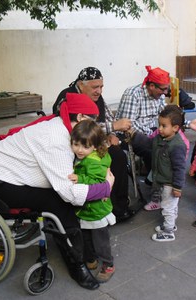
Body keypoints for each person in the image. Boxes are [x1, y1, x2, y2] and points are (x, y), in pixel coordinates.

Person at [0, 93, 114, 290]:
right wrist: (104, 188)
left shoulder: (63, 127)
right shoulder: (56, 139)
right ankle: (77, 265)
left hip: (0, 167)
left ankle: (77, 247)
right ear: (81, 117)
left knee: (60, 195)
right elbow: (70, 193)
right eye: (94, 120)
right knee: (60, 203)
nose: (96, 126)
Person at [53, 67, 135, 223]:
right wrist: (113, 127)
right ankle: (103, 202)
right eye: (95, 87)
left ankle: (118, 205)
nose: (99, 91)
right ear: (81, 85)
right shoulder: (67, 97)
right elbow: (76, 127)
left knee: (118, 154)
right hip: (77, 144)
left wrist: (111, 134)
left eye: (101, 87)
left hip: (96, 141)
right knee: (114, 157)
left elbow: (108, 118)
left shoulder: (98, 98)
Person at [68, 119, 116, 282]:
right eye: (75, 144)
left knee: (100, 241)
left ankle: (108, 264)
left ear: (95, 146)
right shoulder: (88, 157)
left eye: (85, 146)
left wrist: (80, 178)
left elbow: (98, 184)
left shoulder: (94, 161)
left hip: (96, 210)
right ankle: (91, 260)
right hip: (87, 209)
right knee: (86, 237)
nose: (79, 150)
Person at [115, 65, 170, 173]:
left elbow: (166, 114)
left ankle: (165, 180)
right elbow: (128, 125)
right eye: (163, 89)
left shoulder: (159, 94)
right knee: (156, 150)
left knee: (175, 145)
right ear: (152, 86)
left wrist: (185, 123)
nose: (166, 92)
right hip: (129, 134)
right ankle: (155, 181)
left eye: (166, 88)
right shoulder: (133, 94)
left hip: (150, 131)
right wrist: (153, 134)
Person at [149, 105, 187, 242]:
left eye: (164, 126)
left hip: (170, 183)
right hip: (164, 181)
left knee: (167, 207)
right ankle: (170, 225)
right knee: (170, 205)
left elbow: (180, 168)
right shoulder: (161, 138)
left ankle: (169, 231)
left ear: (175, 128)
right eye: (159, 125)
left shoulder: (177, 145)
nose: (159, 129)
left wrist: (177, 187)